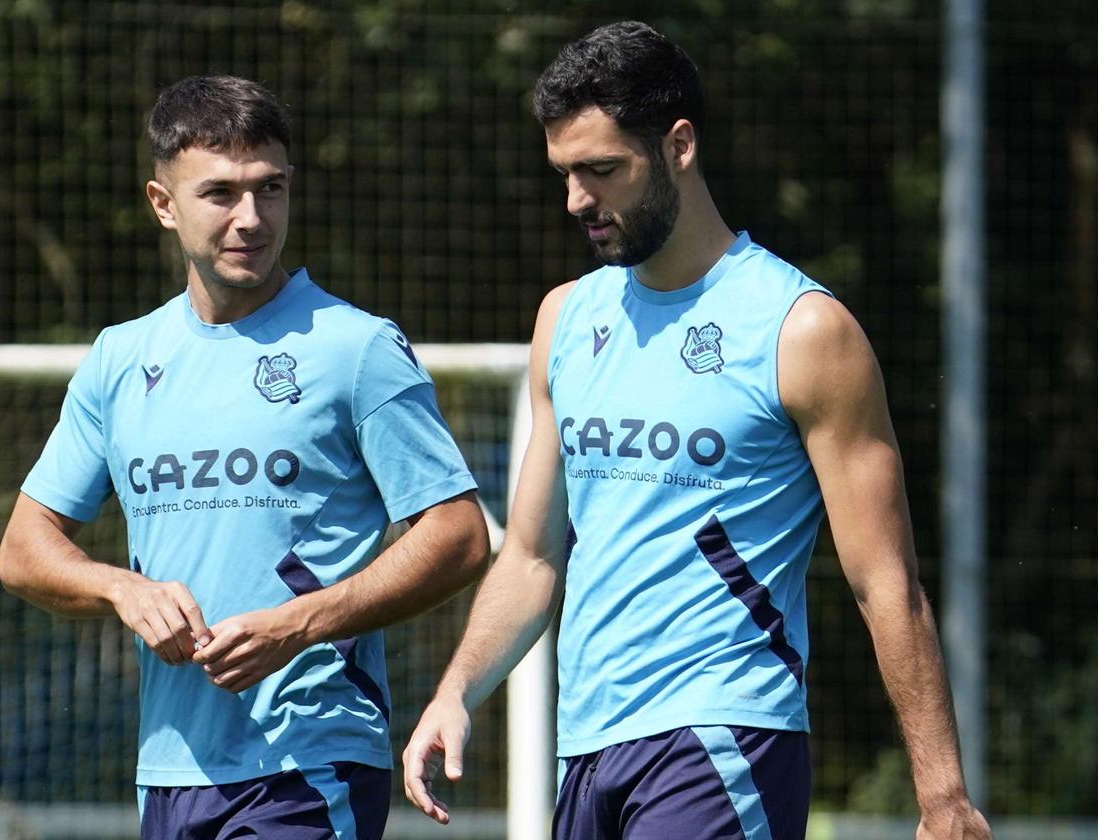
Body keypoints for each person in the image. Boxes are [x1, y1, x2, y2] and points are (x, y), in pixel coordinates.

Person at [403, 21, 991, 840]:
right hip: (590, 747)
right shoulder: (566, 320)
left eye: (602, 170)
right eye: (565, 174)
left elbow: (885, 580)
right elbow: (535, 555)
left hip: (725, 738)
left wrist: (943, 796)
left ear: (678, 145)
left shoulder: (800, 330)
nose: (578, 200)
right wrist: (456, 691)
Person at [0, 74, 489, 840]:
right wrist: (120, 590)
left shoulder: (356, 348)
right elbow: (24, 550)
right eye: (221, 193)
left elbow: (459, 533)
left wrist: (301, 624)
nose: (251, 219)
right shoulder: (121, 359)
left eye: (271, 189)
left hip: (310, 759)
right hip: (170, 767)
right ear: (163, 204)